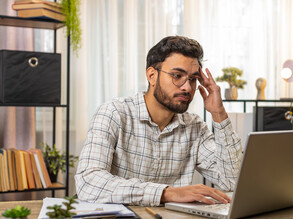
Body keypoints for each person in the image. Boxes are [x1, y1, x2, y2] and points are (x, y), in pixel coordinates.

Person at [75, 36, 242, 207]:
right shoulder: (114, 113)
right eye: (177, 76)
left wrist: (219, 113)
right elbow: (88, 182)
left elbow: (231, 181)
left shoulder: (195, 127)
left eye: (192, 79)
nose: (187, 87)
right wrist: (166, 193)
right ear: (152, 76)